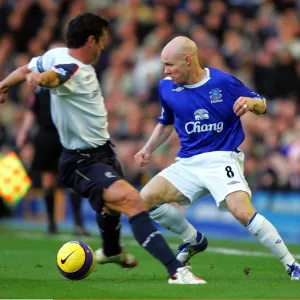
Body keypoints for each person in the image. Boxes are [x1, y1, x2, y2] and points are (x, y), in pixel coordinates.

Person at [0, 13, 206, 284]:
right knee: (132, 200)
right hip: (80, 160)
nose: (104, 46)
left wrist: (3, 85)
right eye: (102, 40)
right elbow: (54, 77)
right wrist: (41, 81)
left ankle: (110, 251)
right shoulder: (73, 68)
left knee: (112, 209)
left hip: (102, 153)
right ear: (90, 40)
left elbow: (27, 68)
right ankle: (175, 271)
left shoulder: (55, 54)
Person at [134, 36, 300, 281]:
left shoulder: (222, 82)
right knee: (143, 200)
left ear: (188, 59)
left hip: (222, 158)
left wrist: (251, 102)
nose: (166, 71)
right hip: (188, 163)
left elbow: (263, 104)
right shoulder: (166, 87)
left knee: (242, 212)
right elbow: (166, 123)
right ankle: (193, 240)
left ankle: (292, 265)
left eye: (170, 64)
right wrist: (148, 148)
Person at [16, 87, 90, 236]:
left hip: (67, 135)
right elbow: (32, 111)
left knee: (73, 179)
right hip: (46, 136)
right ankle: (51, 223)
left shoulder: (67, 85)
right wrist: (24, 132)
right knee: (48, 180)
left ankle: (78, 223)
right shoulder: (40, 90)